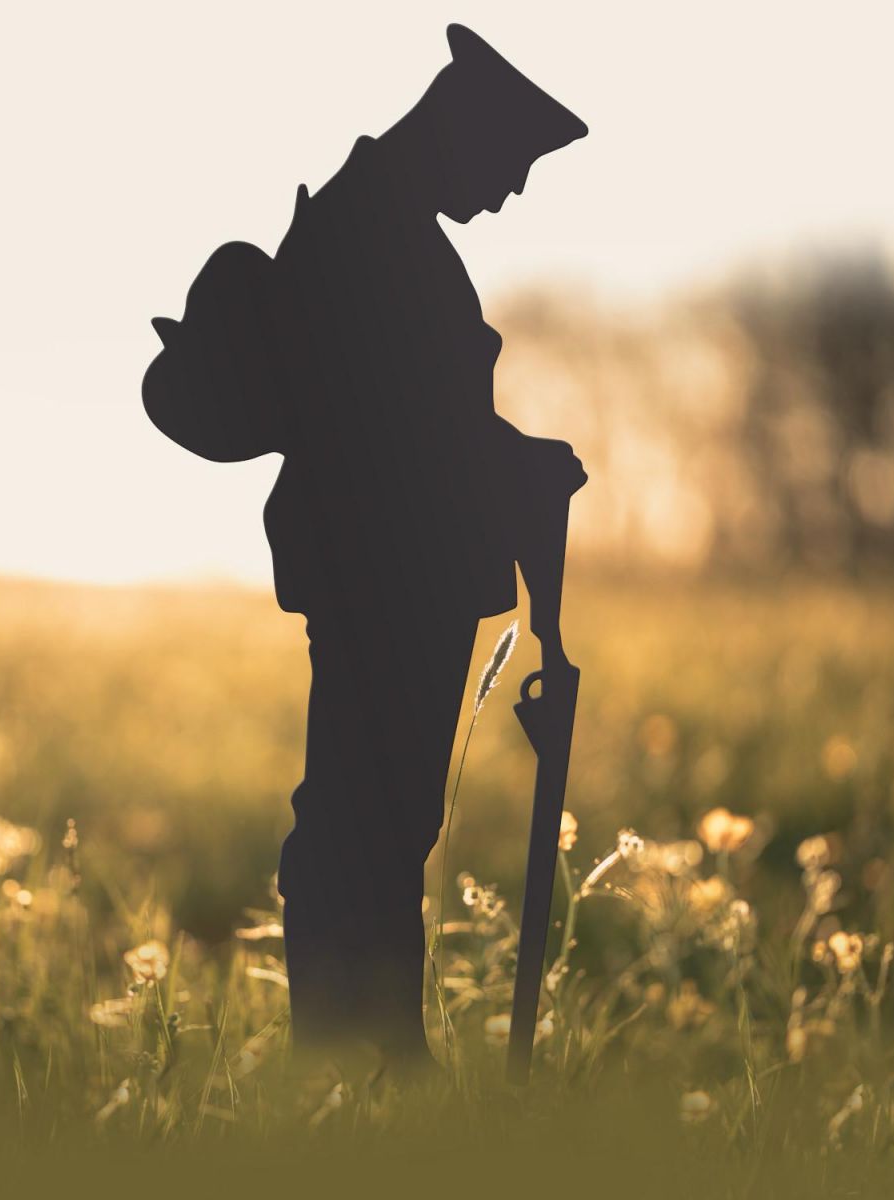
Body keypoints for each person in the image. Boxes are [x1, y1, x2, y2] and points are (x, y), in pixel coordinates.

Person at [256, 24, 589, 1074]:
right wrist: (522, 467)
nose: (514, 190)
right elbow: (399, 436)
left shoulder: (378, 227)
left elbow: (416, 424)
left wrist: (518, 463)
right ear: (461, 129)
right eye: (513, 161)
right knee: (361, 831)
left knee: (385, 831)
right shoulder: (371, 237)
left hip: (399, 581)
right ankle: (356, 1069)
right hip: (385, 585)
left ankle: (374, 1062)